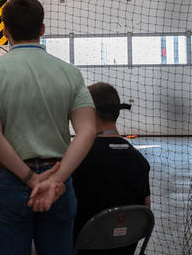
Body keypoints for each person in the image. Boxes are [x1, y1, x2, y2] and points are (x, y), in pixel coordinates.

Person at [0, 0, 97, 255]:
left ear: (5, 30)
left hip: (11, 180)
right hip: (58, 182)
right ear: (42, 29)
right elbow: (88, 131)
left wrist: (30, 179)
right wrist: (55, 180)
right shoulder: (70, 73)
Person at [72, 82, 151, 255]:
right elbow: (145, 211)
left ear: (89, 112)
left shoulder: (78, 159)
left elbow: (68, 213)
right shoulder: (140, 162)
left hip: (84, 248)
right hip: (126, 247)